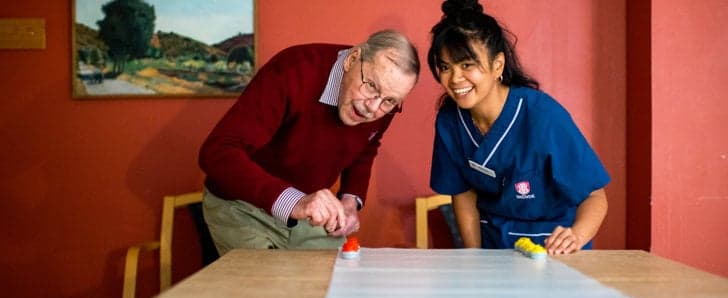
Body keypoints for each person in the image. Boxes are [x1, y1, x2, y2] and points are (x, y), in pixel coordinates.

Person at [199, 30, 420, 254]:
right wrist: (294, 202)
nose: (372, 108)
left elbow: (366, 144)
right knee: (269, 287)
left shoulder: (384, 99)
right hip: (241, 204)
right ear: (352, 59)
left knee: (338, 279)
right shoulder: (293, 69)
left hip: (305, 210)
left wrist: (350, 200)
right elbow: (217, 152)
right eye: (371, 86)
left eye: (389, 101)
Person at [427, 0, 610, 255]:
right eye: (445, 67)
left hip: (554, 251)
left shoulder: (543, 116)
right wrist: (474, 258)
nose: (455, 78)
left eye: (467, 65)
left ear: (497, 65)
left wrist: (575, 237)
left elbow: (595, 197)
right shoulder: (450, 121)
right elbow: (463, 193)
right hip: (494, 249)